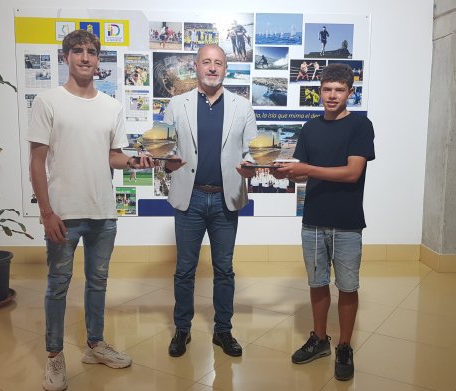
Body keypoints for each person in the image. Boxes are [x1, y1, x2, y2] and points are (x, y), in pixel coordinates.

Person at [27, 29, 153, 391]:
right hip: (63, 214)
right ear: (65, 56)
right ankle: (54, 357)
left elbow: (112, 156)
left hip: (103, 212)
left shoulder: (111, 107)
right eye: (78, 51)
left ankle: (95, 345)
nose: (85, 57)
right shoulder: (48, 101)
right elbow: (37, 162)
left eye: (92, 52)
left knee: (98, 283)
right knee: (57, 285)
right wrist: (47, 212)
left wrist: (136, 162)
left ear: (99, 60)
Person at [273, 63, 375, 381]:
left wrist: (307, 168)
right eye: (327, 89)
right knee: (317, 284)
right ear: (320, 91)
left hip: (346, 222)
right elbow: (301, 171)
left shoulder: (360, 126)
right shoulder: (310, 127)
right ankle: (320, 339)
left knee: (347, 286)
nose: (332, 95)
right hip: (314, 219)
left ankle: (344, 345)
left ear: (350, 93)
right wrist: (277, 170)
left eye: (339, 90)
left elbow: (352, 172)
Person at [162, 44, 257, 358]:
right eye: (207, 62)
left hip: (225, 198)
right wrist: (165, 159)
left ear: (225, 68)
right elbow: (163, 148)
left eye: (218, 63)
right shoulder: (176, 105)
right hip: (189, 198)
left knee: (224, 270)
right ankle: (182, 329)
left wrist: (251, 164)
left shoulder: (243, 107)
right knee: (184, 270)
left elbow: (251, 152)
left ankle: (223, 331)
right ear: (197, 67)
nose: (212, 68)